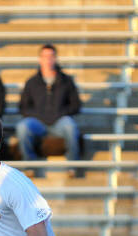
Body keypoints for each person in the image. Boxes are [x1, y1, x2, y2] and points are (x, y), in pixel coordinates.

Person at [16, 44, 82, 176]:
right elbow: (23, 107)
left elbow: (76, 105)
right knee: (22, 127)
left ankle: (72, 166)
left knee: (70, 126)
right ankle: (30, 166)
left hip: (59, 122)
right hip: (38, 123)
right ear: (40, 59)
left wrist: (60, 113)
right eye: (45, 56)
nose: (48, 59)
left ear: (56, 58)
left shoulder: (66, 81)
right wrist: (38, 115)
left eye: (51, 56)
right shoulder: (31, 82)